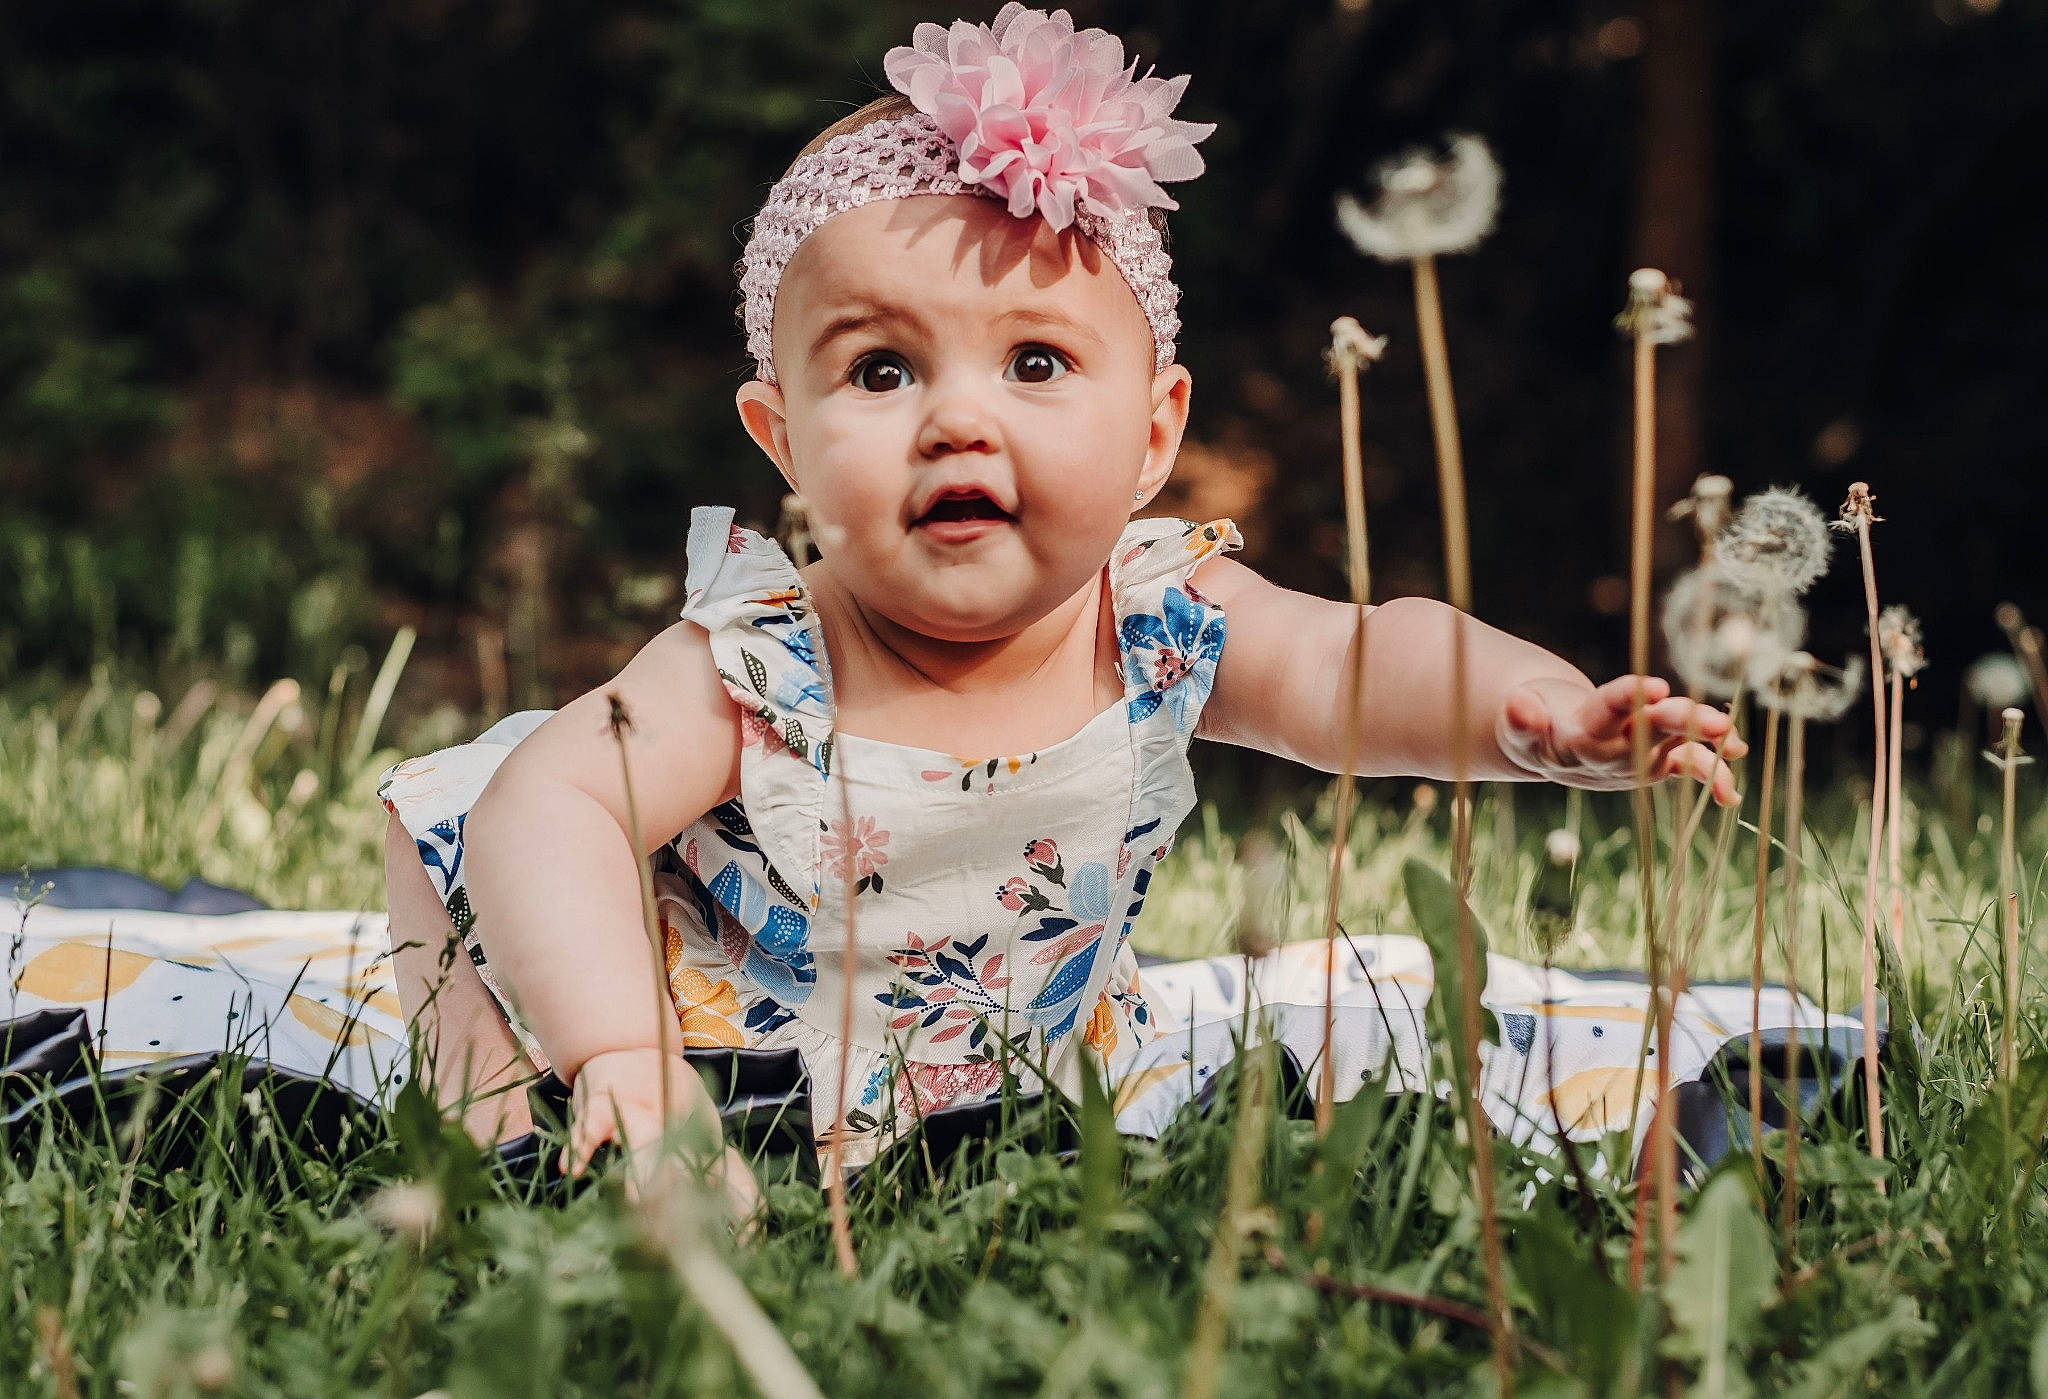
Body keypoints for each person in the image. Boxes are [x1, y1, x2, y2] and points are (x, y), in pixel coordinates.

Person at [378, 4, 1760, 1219]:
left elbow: (1359, 659)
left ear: (1155, 435)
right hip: (694, 1009)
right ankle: (509, 1132)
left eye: (1034, 360)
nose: (958, 422)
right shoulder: (760, 658)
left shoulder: (1158, 618)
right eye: (879, 374)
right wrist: (618, 1048)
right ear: (780, 436)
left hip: (990, 1058)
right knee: (479, 818)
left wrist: (1539, 716)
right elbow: (550, 811)